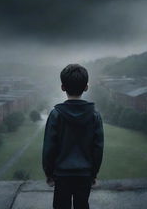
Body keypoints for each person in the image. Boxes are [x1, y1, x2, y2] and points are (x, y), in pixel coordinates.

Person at [42, 63, 104, 209]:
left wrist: (49, 174)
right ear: (86, 87)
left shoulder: (55, 114)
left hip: (61, 174)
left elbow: (49, 148)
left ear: (63, 87)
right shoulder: (95, 115)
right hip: (85, 174)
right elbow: (98, 148)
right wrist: (94, 174)